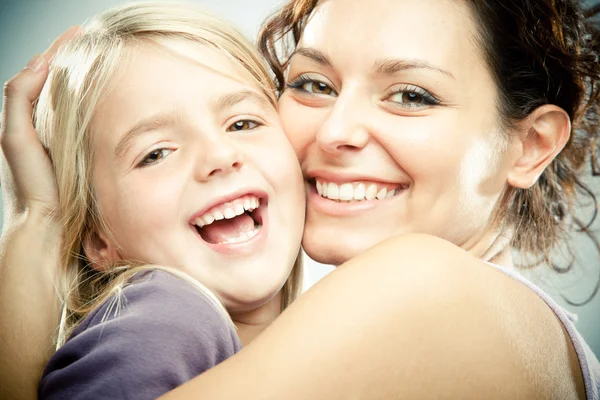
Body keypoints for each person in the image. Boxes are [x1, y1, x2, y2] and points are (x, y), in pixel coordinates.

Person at [1, 0, 599, 398]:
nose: (336, 131)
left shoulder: (423, 284)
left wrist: (37, 222)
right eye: (314, 84)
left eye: (412, 95)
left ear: (530, 145)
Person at [25, 2, 306, 399]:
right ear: (98, 239)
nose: (220, 157)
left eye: (243, 123)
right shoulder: (169, 314)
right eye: (156, 153)